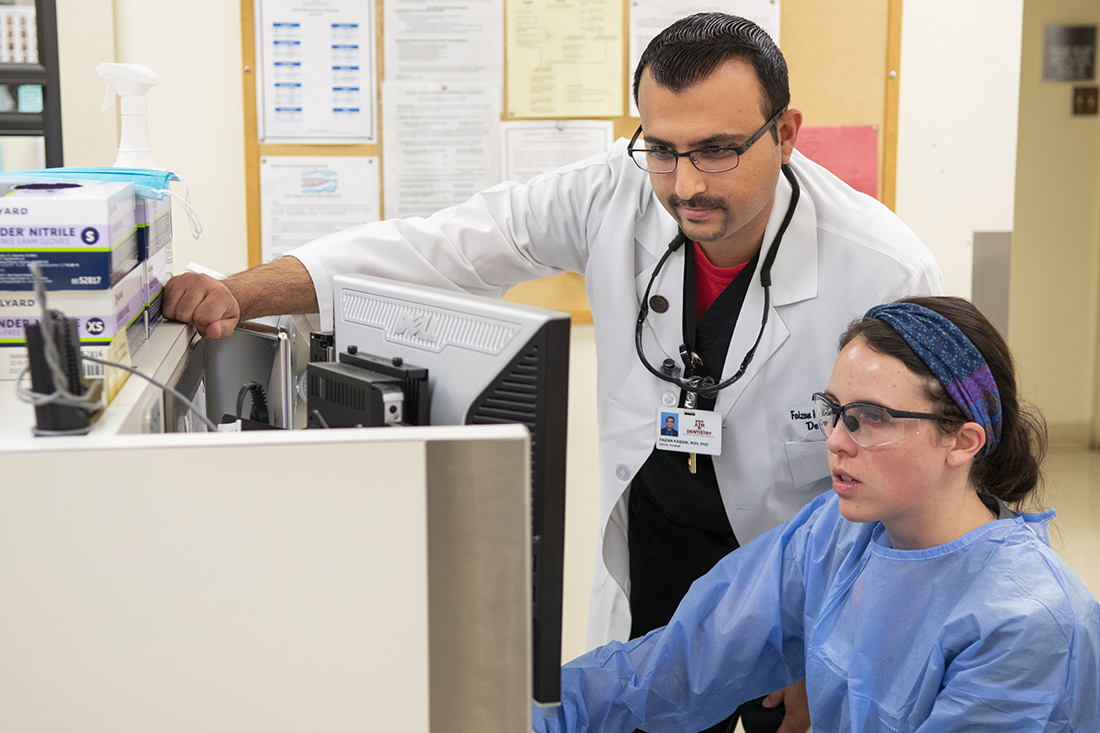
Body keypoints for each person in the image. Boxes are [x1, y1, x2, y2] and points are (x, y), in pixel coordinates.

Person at [163, 13, 944, 731]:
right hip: (658, 568)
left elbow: (926, 475)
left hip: (797, 591)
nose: (685, 184)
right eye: (663, 149)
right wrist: (236, 291)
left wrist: (836, 629)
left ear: (787, 133)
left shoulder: (883, 267)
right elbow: (441, 248)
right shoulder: (613, 192)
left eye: (717, 149)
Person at [532, 296, 1100, 733]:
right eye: (833, 412)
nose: (835, 440)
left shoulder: (1029, 621)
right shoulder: (833, 533)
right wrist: (532, 709)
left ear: (962, 441)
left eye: (870, 417)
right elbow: (686, 656)